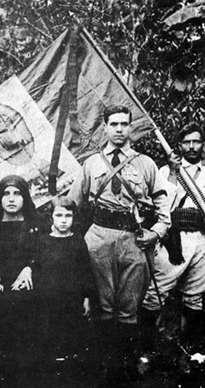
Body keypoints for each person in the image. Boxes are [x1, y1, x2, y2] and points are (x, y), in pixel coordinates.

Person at [68, 104, 170, 384]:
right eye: (113, 124)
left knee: (128, 306)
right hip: (98, 237)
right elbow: (73, 204)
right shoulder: (91, 163)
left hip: (134, 240)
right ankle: (104, 364)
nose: (119, 129)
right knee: (102, 303)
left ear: (131, 126)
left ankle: (124, 365)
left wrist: (156, 232)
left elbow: (163, 206)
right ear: (105, 127)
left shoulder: (145, 164)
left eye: (124, 124)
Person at [142, 122, 205, 369]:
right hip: (174, 241)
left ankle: (189, 353)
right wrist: (172, 173)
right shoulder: (166, 171)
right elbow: (162, 207)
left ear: (203, 145)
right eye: (186, 142)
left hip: (202, 240)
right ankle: (145, 353)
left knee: (196, 298)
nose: (191, 147)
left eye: (196, 142)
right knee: (153, 296)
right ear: (179, 145)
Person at [0, 174, 46, 377]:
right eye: (6, 194)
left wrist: (30, 267)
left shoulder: (39, 223)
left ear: (25, 197)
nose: (11, 199)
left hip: (26, 280)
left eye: (17, 194)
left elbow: (46, 252)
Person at [37, 196, 94, 367]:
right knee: (49, 330)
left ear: (74, 218)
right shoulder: (43, 241)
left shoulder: (77, 241)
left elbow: (86, 272)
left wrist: (87, 298)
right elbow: (38, 270)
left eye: (68, 216)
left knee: (70, 330)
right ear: (50, 217)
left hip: (72, 298)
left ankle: (68, 363)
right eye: (59, 216)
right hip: (48, 297)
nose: (63, 221)